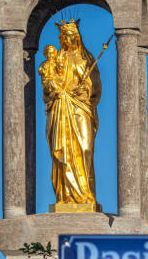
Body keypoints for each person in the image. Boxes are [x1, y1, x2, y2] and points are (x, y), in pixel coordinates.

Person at [38, 19, 102, 208]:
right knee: (63, 152)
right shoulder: (57, 59)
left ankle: (85, 193)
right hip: (62, 107)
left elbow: (95, 83)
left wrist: (86, 90)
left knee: (85, 148)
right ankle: (66, 195)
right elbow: (48, 83)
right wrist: (56, 90)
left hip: (81, 107)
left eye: (73, 36)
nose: (70, 39)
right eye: (66, 36)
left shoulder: (86, 58)